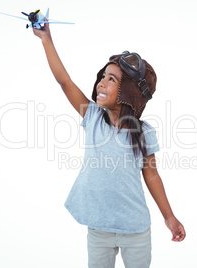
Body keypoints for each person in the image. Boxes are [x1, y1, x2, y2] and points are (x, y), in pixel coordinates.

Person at [33, 19, 186, 268]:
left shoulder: (144, 133)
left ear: (128, 92)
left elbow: (153, 176)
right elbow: (65, 82)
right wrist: (46, 39)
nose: (101, 83)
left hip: (135, 230)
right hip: (99, 229)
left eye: (112, 80)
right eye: (103, 77)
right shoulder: (92, 116)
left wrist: (169, 217)